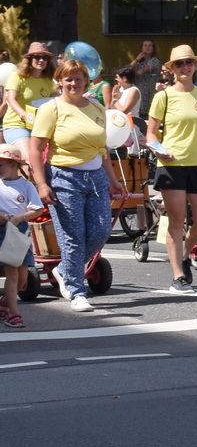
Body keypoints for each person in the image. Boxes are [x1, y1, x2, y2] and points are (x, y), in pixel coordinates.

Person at [29, 59, 125, 312]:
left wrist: (114, 181)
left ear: (85, 80)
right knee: (73, 238)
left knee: (101, 231)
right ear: (59, 81)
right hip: (63, 176)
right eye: (68, 78)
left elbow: (102, 149)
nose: (73, 83)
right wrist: (41, 184)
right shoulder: (52, 108)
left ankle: (64, 270)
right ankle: (75, 291)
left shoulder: (95, 107)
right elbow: (36, 147)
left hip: (95, 178)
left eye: (78, 78)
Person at [146, 45, 197, 293]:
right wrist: (159, 151)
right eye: (179, 64)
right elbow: (151, 134)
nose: (185, 67)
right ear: (172, 69)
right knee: (177, 221)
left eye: (189, 62)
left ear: (195, 65)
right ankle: (178, 275)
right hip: (171, 164)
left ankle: (184, 254)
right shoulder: (163, 96)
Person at [0, 142, 44, 328]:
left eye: (0, 164)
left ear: (13, 164)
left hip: (21, 230)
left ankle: (4, 303)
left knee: (23, 275)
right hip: (2, 232)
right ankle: (13, 313)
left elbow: (37, 208)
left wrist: (20, 217)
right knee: (12, 272)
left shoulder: (26, 185)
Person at [3, 42, 56, 147]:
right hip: (17, 125)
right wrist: (24, 115)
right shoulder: (17, 76)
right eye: (37, 57)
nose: (41, 60)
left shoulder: (48, 80)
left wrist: (82, 97)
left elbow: (59, 99)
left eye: (45, 57)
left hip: (40, 126)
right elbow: (11, 99)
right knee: (28, 157)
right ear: (29, 59)